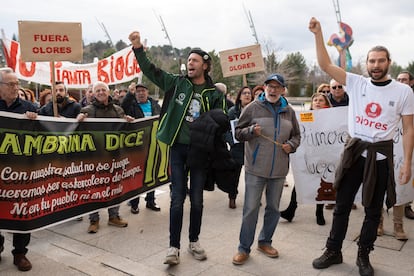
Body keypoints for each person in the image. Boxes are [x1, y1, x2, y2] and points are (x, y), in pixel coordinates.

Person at [309, 17, 414, 276]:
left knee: (372, 210)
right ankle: (333, 250)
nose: (375, 65)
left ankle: (364, 255)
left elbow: (410, 128)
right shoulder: (356, 83)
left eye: (380, 60)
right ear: (366, 64)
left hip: (380, 157)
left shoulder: (403, 92)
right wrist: (318, 34)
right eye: (371, 61)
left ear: (388, 62)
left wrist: (408, 163)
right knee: (342, 205)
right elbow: (325, 64)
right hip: (354, 154)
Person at [129, 30, 226, 265]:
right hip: (177, 149)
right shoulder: (176, 82)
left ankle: (194, 241)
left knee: (198, 200)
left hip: (200, 153)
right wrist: (138, 48)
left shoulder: (214, 93)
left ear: (205, 65)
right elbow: (151, 70)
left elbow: (222, 120)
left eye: (194, 60)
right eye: (188, 60)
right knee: (176, 199)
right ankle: (173, 247)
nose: (189, 63)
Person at [231, 73, 301, 265]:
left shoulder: (289, 111)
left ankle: (265, 242)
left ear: (283, 90)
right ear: (265, 87)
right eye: (269, 86)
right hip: (255, 168)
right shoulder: (252, 108)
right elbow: (237, 133)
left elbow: (297, 136)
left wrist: (291, 145)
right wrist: (251, 131)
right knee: (250, 209)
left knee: (273, 209)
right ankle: (243, 248)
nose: (272, 90)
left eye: (277, 87)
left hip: (279, 170)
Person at [77, 81, 133, 234]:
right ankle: (94, 220)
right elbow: (79, 134)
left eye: (103, 90)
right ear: (94, 94)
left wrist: (129, 122)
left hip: (115, 158)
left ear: (108, 92)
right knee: (93, 190)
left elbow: (125, 131)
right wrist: (79, 121)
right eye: (98, 90)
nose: (101, 92)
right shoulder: (86, 110)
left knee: (115, 188)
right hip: (94, 159)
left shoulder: (118, 110)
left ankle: (113, 216)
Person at [0, 67, 38, 272]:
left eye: (17, 83)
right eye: (11, 84)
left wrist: (36, 121)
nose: (16, 87)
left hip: (21, 170)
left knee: (22, 210)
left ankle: (20, 253)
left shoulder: (29, 107)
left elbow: (43, 134)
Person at [280, 92, 332, 225]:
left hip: (324, 157)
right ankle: (291, 210)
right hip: (307, 157)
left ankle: (319, 212)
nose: (317, 102)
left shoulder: (332, 118)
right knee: (300, 181)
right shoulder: (306, 117)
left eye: (321, 100)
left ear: (326, 104)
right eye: (315, 100)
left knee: (321, 183)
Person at [121, 83, 161, 214]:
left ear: (147, 92)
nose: (141, 93)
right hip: (137, 147)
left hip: (154, 144)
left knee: (152, 173)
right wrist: (129, 93)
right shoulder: (131, 105)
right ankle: (134, 203)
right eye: (138, 91)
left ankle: (151, 201)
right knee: (136, 175)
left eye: (143, 91)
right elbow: (123, 107)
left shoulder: (155, 104)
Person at [226, 86, 254, 209]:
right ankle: (232, 197)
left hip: (252, 147)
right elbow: (225, 129)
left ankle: (252, 199)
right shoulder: (233, 111)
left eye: (249, 93)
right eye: (244, 93)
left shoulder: (256, 110)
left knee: (252, 176)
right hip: (237, 148)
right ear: (240, 96)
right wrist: (231, 141)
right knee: (234, 176)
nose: (247, 95)